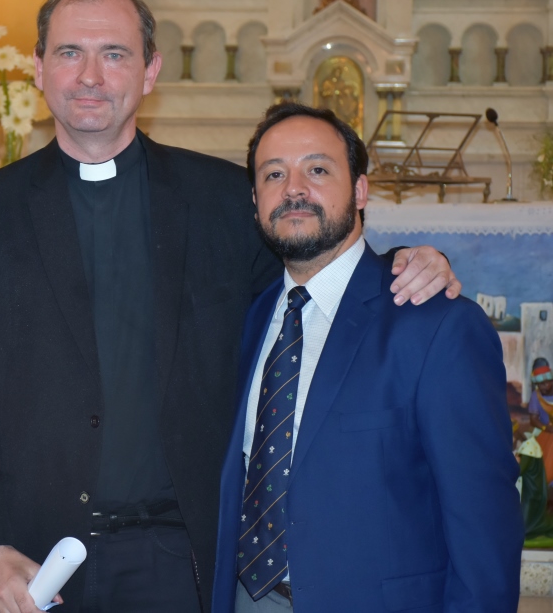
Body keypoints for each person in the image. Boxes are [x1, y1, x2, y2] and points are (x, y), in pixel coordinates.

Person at [0, 0, 460, 613]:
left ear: (151, 70)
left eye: (116, 54)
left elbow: (321, 280)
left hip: (176, 559)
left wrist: (409, 263)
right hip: (25, 557)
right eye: (70, 52)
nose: (91, 75)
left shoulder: (221, 199)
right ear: (39, 68)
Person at [211, 103, 522, 612]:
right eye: (274, 174)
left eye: (317, 169)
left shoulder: (436, 324)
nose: (293, 189)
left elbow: (483, 523)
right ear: (254, 200)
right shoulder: (246, 320)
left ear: (359, 189)